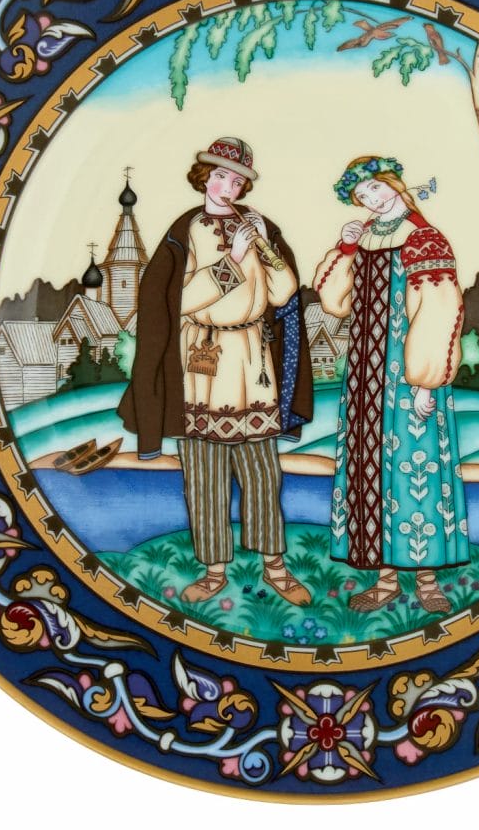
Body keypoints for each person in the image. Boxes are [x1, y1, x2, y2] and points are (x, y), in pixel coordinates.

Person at [117, 137, 313, 605]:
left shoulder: (259, 226)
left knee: (262, 471)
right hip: (200, 359)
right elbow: (176, 301)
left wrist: (265, 247)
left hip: (252, 358)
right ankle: (213, 571)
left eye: (238, 180)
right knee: (204, 473)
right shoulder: (185, 231)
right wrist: (232, 262)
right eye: (221, 176)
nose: (229, 186)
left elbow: (285, 293)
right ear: (204, 178)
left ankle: (275, 566)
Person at [313, 155, 468, 613]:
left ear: (395, 185)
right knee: (369, 471)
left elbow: (439, 311)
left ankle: (427, 581)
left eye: (375, 189)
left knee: (414, 470)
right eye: (362, 196)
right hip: (364, 376)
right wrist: (345, 249)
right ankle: (384, 579)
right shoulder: (364, 238)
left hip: (406, 376)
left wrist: (426, 382)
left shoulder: (424, 239)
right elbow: (334, 302)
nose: (371, 200)